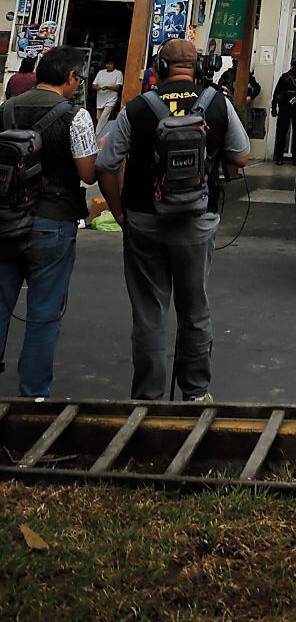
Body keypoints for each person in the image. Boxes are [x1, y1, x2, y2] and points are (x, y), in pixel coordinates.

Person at [96, 38, 249, 402]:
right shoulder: (217, 103)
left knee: (149, 312)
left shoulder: (138, 108)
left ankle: (147, 397)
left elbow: (105, 166)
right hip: (197, 221)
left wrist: (120, 213)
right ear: (199, 68)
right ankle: (195, 393)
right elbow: (241, 157)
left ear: (159, 69)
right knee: (195, 310)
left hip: (144, 219)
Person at [0, 49, 97, 400]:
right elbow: (87, 174)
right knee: (43, 313)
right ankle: (34, 394)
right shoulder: (76, 116)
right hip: (53, 220)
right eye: (79, 79)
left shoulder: (7, 108)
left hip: (5, 219)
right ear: (70, 77)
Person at [92, 56, 124, 134]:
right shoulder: (101, 72)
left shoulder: (118, 73)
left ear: (114, 65)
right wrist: (97, 88)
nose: (109, 66)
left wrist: (108, 87)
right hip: (100, 98)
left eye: (110, 64)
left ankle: (96, 134)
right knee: (99, 118)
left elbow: (118, 87)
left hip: (111, 99)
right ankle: (104, 133)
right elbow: (93, 85)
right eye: (107, 64)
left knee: (104, 116)